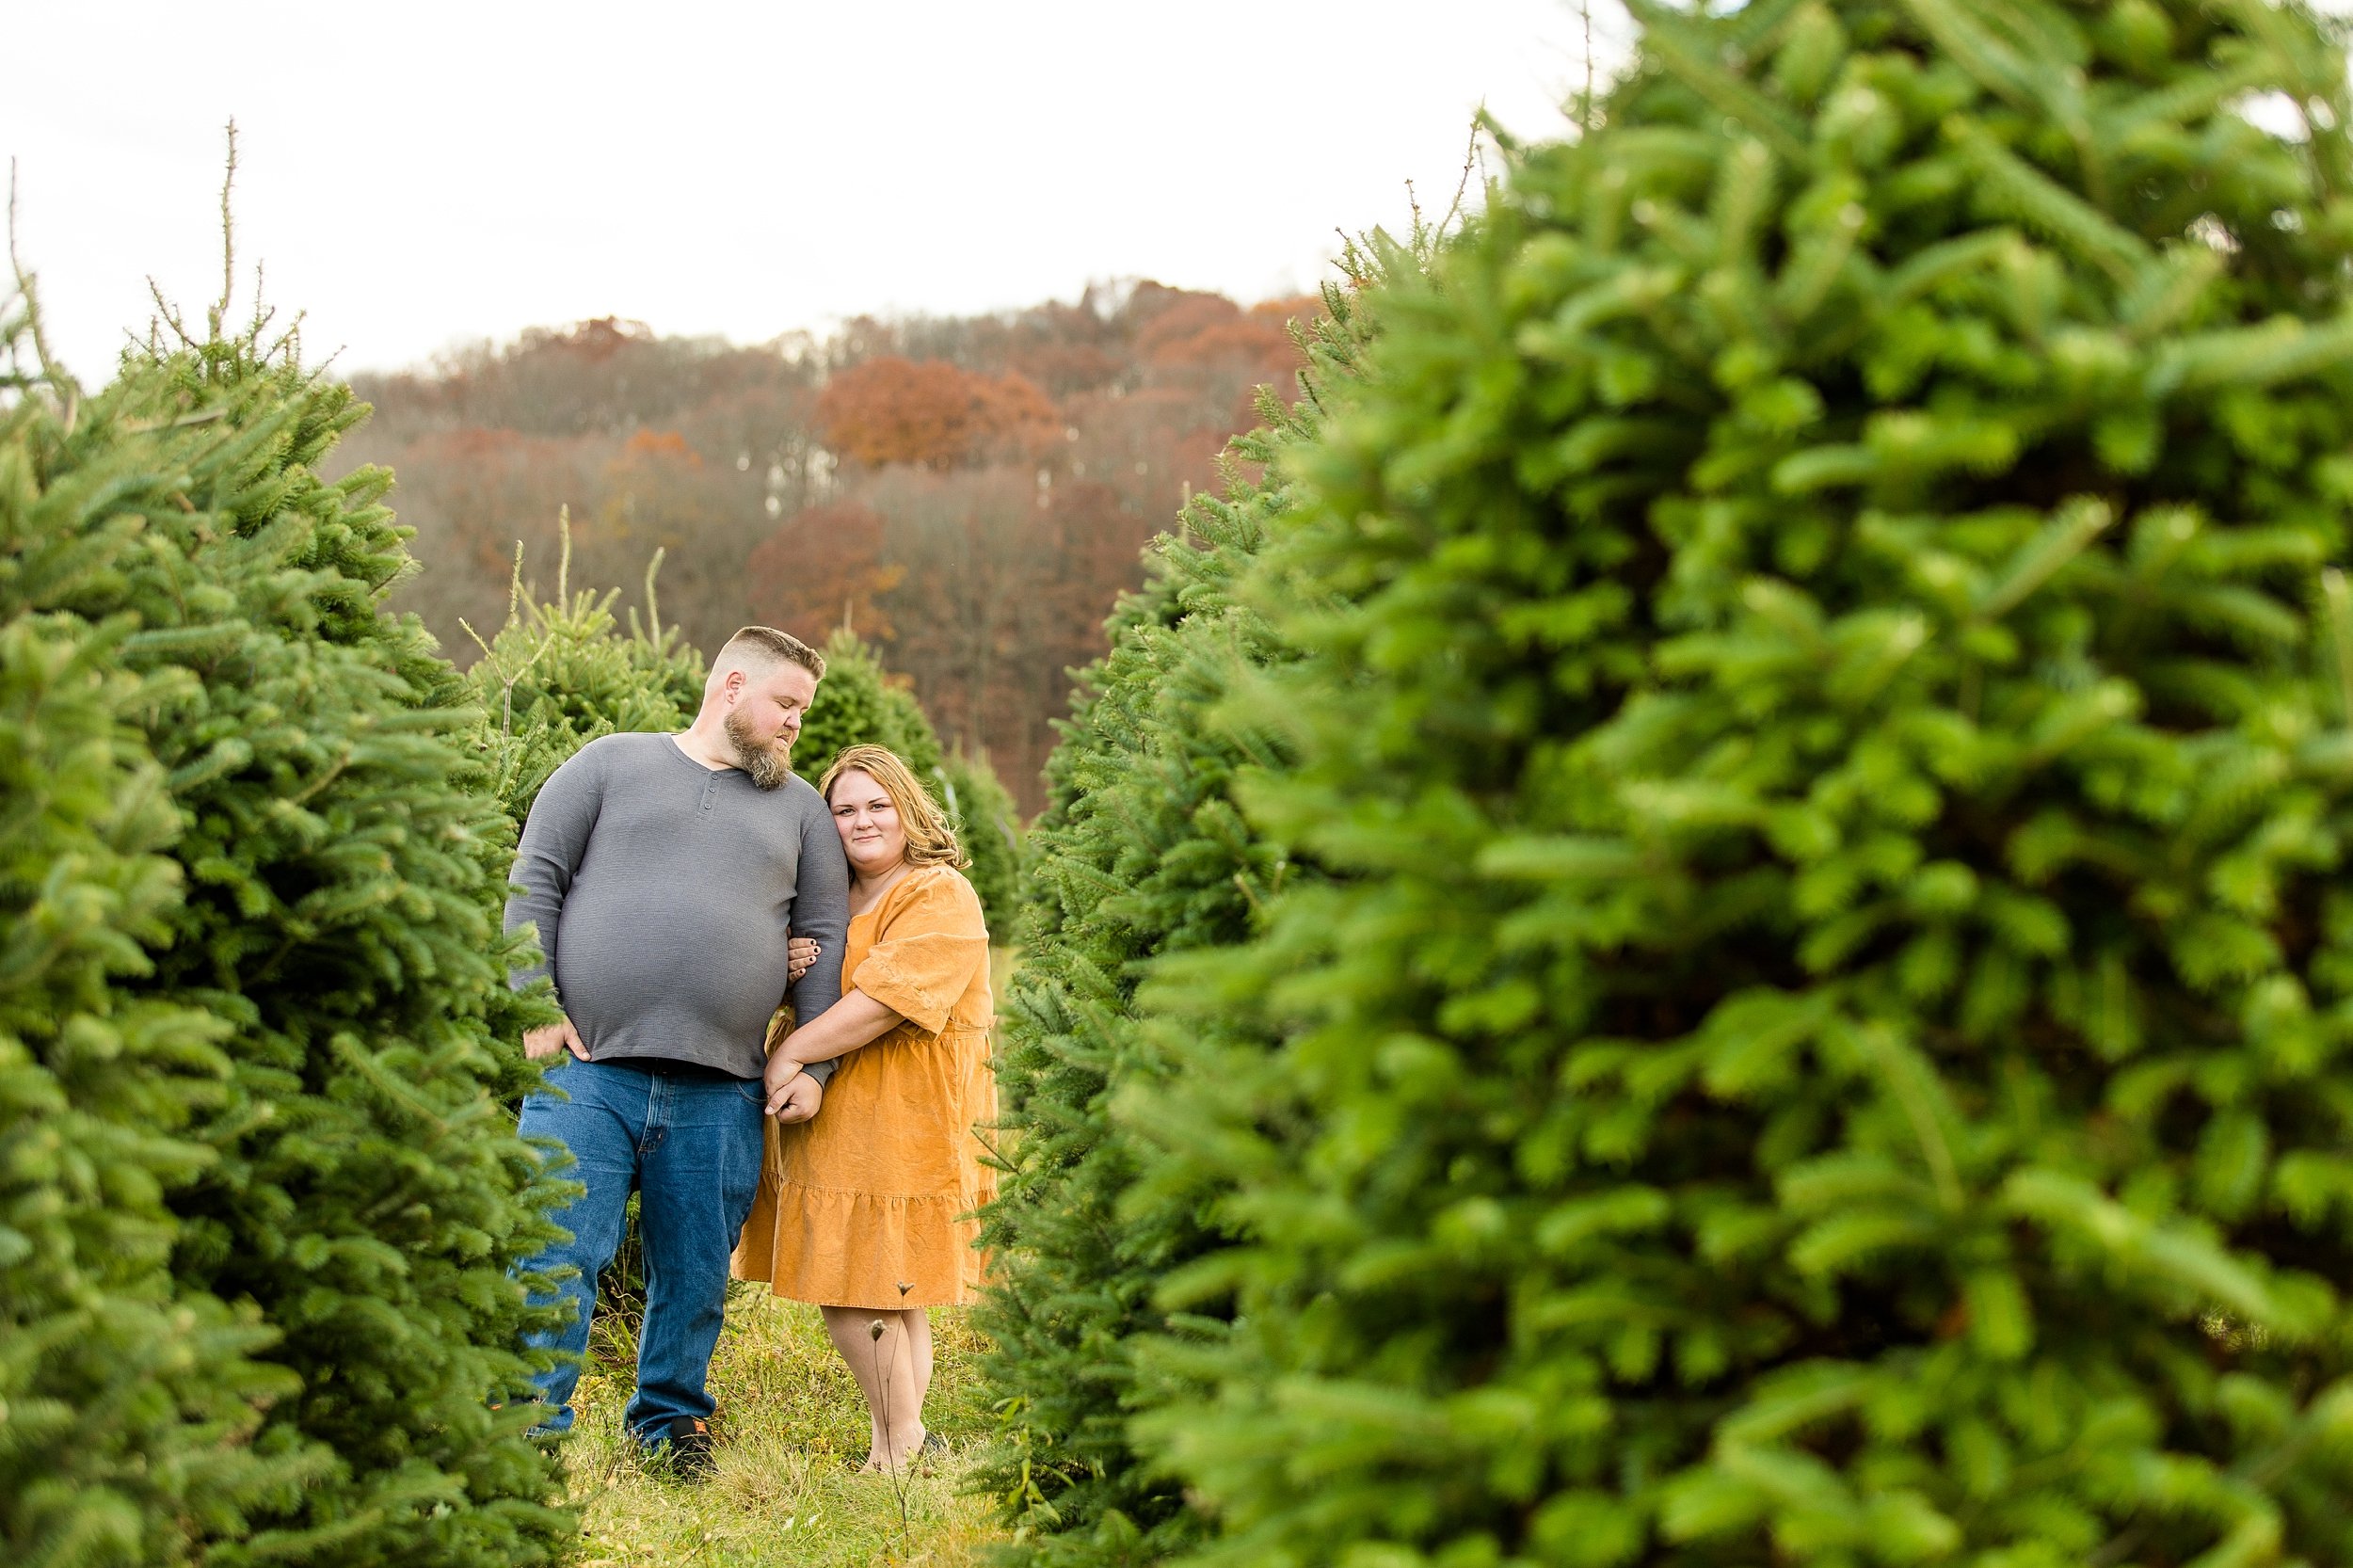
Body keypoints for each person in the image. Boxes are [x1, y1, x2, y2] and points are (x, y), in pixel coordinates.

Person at [506, 625, 849, 1477]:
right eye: (786, 706)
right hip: (587, 1073)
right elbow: (534, 879)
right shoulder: (608, 765)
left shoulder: (803, 812)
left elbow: (823, 939)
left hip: (722, 1088)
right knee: (554, 1249)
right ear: (732, 688)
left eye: (804, 714)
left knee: (695, 1273)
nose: (795, 727)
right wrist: (535, 1006)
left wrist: (813, 1063)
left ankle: (669, 1425)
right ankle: (524, 1424)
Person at [735, 743, 996, 1473]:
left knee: (854, 1282)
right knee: (886, 1285)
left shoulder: (937, 894)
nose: (861, 821)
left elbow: (884, 1003)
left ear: (908, 809)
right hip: (839, 1109)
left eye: (877, 804)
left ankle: (899, 1442)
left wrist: (788, 1055)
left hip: (905, 1109)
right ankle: (898, 1442)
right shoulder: (829, 900)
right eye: (844, 809)